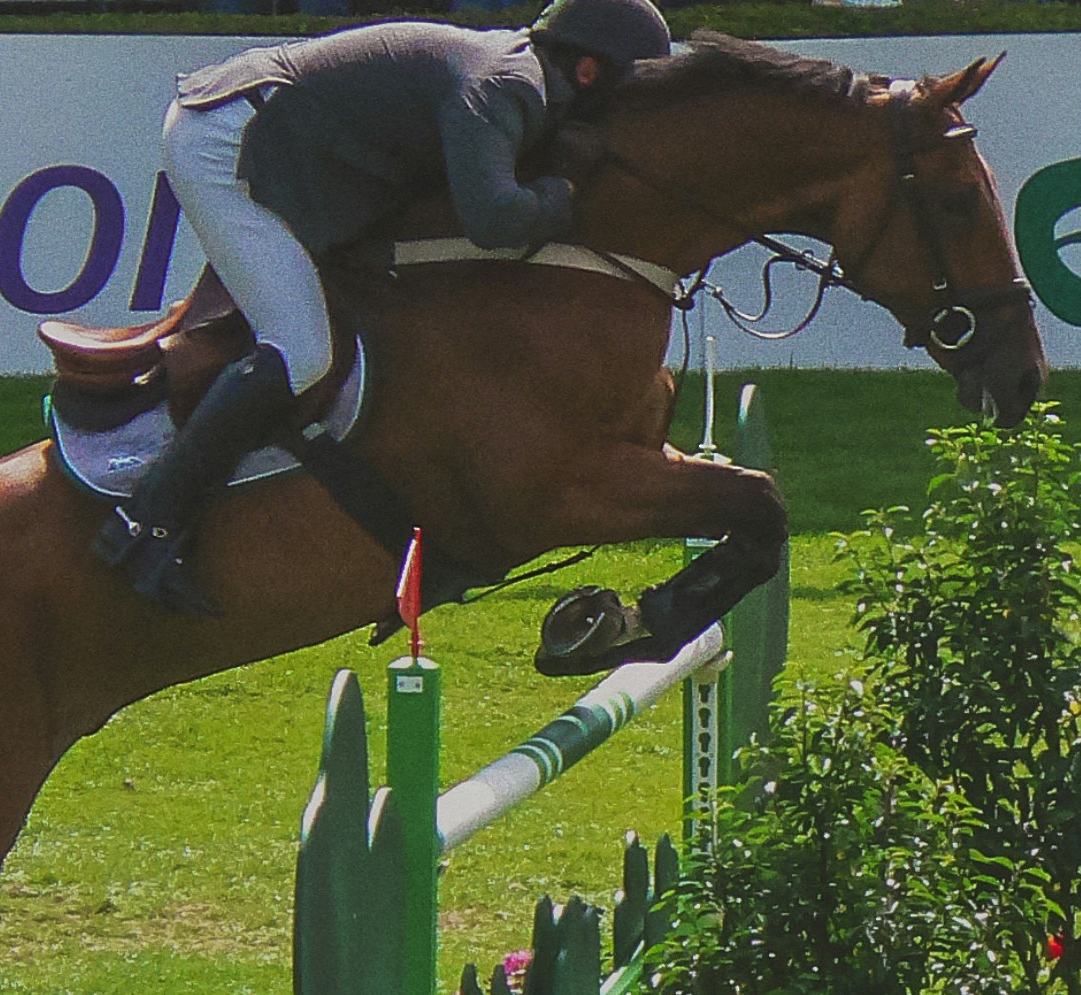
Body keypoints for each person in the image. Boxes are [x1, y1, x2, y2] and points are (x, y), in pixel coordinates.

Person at [95, 0, 674, 617]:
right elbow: (495, 221)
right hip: (223, 143)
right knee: (303, 352)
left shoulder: (520, 76)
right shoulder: (507, 86)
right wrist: (565, 187)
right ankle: (145, 524)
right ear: (588, 72)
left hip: (282, 136)